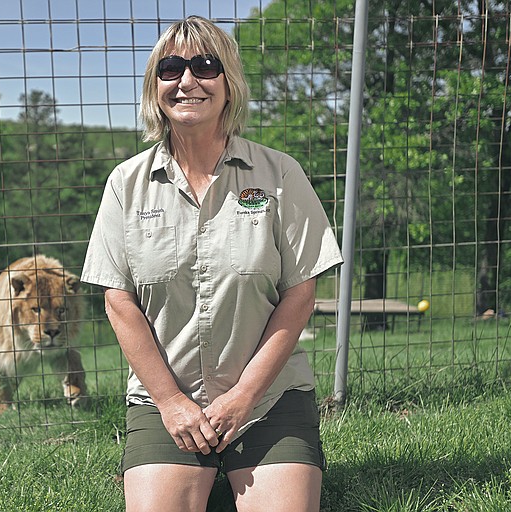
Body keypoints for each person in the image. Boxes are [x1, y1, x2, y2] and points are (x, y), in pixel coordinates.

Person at [81, 15, 343, 512]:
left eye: (205, 66)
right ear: (154, 86)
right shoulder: (125, 184)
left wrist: (244, 395)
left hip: (268, 400)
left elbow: (300, 293)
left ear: (229, 84)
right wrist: (171, 403)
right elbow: (118, 301)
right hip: (166, 404)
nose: (186, 81)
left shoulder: (279, 173)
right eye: (170, 68)